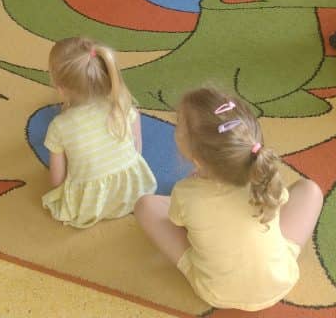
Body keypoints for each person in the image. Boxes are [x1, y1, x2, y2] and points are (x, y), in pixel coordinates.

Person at [135, 88, 323, 312]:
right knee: (310, 190)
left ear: (196, 160)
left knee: (145, 206)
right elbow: (280, 202)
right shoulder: (265, 178)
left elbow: (176, 222)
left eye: (179, 123)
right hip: (280, 280)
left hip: (215, 291)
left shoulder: (185, 193)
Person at [41, 37, 157, 227]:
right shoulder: (122, 107)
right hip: (133, 192)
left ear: (61, 90)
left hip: (89, 206)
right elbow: (136, 150)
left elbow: (56, 180)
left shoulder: (59, 126)